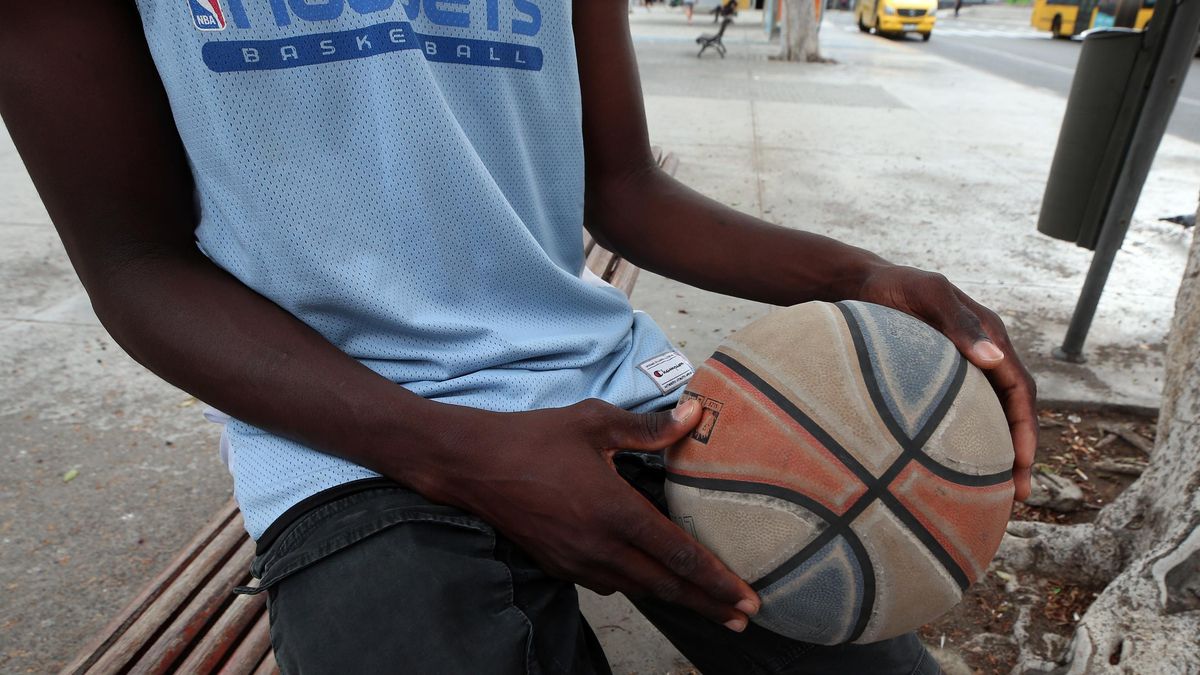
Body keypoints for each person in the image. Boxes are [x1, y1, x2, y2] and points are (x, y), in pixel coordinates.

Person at [0, 2, 1036, 673]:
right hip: (351, 438)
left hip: (612, 397)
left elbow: (621, 185)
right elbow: (136, 266)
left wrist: (859, 277)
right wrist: (451, 452)